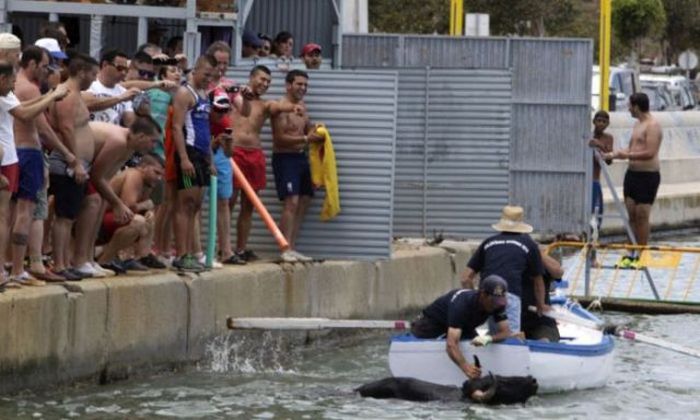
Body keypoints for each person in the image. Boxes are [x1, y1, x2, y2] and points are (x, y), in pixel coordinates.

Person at [0, 59, 68, 288]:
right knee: (11, 215)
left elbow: (23, 107)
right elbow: (27, 116)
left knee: (7, 215)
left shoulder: (9, 93)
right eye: (10, 81)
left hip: (12, 157)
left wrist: (50, 95)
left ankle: (7, 267)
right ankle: (11, 269)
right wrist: (51, 96)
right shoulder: (18, 89)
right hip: (14, 157)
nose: (13, 85)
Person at [88, 116, 163, 272]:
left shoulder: (128, 149)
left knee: (147, 218)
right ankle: (103, 259)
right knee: (138, 221)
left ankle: (138, 256)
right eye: (153, 141)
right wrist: (119, 204)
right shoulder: (123, 148)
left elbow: (105, 180)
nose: (153, 146)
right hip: (78, 175)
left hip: (100, 208)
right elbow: (97, 176)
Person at [47, 53, 98, 281]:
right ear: (82, 72)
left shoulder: (75, 94)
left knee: (71, 215)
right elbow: (66, 129)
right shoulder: (67, 95)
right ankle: (59, 264)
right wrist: (75, 162)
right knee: (64, 217)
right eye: (93, 74)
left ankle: (65, 261)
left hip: (77, 162)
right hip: (68, 163)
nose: (93, 79)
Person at [460, 205, 548, 334]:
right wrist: (541, 305)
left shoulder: (488, 242)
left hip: (487, 296)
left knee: (495, 336)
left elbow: (465, 278)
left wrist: (475, 299)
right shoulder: (529, 245)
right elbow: (538, 282)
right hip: (509, 295)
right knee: (510, 338)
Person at [410, 275, 513, 380]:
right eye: (493, 302)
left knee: (476, 343)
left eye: (499, 301)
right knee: (452, 346)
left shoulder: (498, 304)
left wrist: (488, 339)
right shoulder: (462, 305)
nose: (496, 306)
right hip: (430, 325)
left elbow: (505, 332)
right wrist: (466, 368)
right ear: (483, 294)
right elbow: (451, 345)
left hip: (462, 326)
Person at [170, 54, 218, 271]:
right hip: (188, 153)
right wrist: (183, 159)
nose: (209, 79)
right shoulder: (184, 93)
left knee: (196, 205)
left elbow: (206, 130)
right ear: (196, 70)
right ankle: (181, 254)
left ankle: (189, 252)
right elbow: (176, 127)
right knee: (185, 203)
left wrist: (210, 159)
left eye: (212, 75)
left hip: (201, 156)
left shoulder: (204, 95)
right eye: (206, 74)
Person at [270, 69, 323, 262]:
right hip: (285, 158)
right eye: (299, 84)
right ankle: (283, 249)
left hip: (301, 158)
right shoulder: (280, 107)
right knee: (291, 202)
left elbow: (306, 126)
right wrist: (306, 138)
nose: (303, 88)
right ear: (288, 85)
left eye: (305, 85)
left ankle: (291, 246)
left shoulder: (302, 105)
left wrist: (315, 129)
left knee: (305, 199)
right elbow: (280, 138)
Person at [604, 93, 662, 269]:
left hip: (648, 176)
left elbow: (650, 152)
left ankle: (641, 253)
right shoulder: (637, 124)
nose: (628, 109)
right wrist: (613, 154)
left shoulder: (653, 126)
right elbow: (631, 148)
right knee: (631, 215)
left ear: (637, 106)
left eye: (629, 105)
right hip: (632, 175)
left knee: (642, 215)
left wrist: (626, 155)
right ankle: (630, 253)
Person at [97, 154, 164, 270]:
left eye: (161, 175)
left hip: (110, 221)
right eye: (156, 173)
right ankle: (105, 260)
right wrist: (145, 205)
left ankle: (141, 257)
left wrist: (147, 209)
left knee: (150, 217)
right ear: (143, 167)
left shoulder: (148, 182)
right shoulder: (134, 175)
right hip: (95, 224)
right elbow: (126, 209)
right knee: (138, 222)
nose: (159, 178)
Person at [83, 49, 140, 126]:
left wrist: (140, 108)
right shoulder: (90, 84)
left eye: (126, 70)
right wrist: (120, 98)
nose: (123, 73)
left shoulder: (123, 91)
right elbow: (88, 104)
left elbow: (129, 122)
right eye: (119, 68)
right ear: (105, 65)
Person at [520, 248, 564, 342]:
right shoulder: (506, 263)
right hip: (512, 320)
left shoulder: (539, 262)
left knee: (544, 341)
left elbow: (558, 272)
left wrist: (537, 252)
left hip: (541, 321)